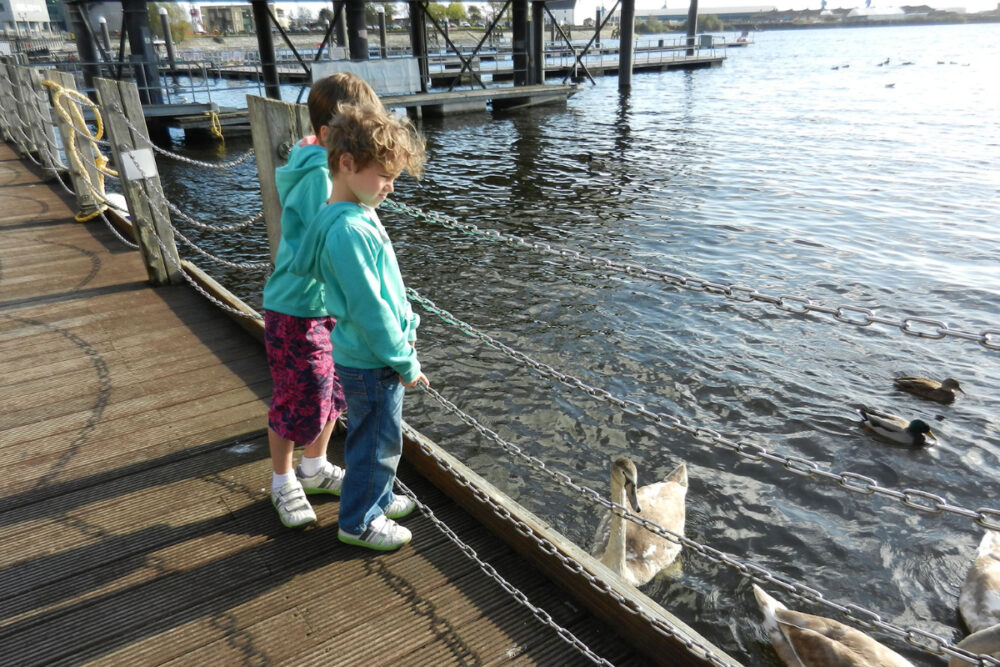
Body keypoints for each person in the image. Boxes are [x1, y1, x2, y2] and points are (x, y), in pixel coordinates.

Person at [291, 103, 427, 551]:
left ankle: (379, 499)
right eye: (384, 176)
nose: (390, 187)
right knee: (375, 446)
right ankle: (358, 522)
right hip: (374, 360)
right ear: (347, 164)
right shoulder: (349, 229)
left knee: (379, 441)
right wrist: (405, 360)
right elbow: (370, 308)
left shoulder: (349, 212)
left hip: (365, 355)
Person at [262, 73, 381, 529]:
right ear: (331, 136)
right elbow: (324, 244)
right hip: (298, 307)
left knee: (332, 392)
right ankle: (283, 478)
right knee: (298, 395)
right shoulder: (317, 175)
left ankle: (314, 466)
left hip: (324, 306)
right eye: (361, 130)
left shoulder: (333, 167)